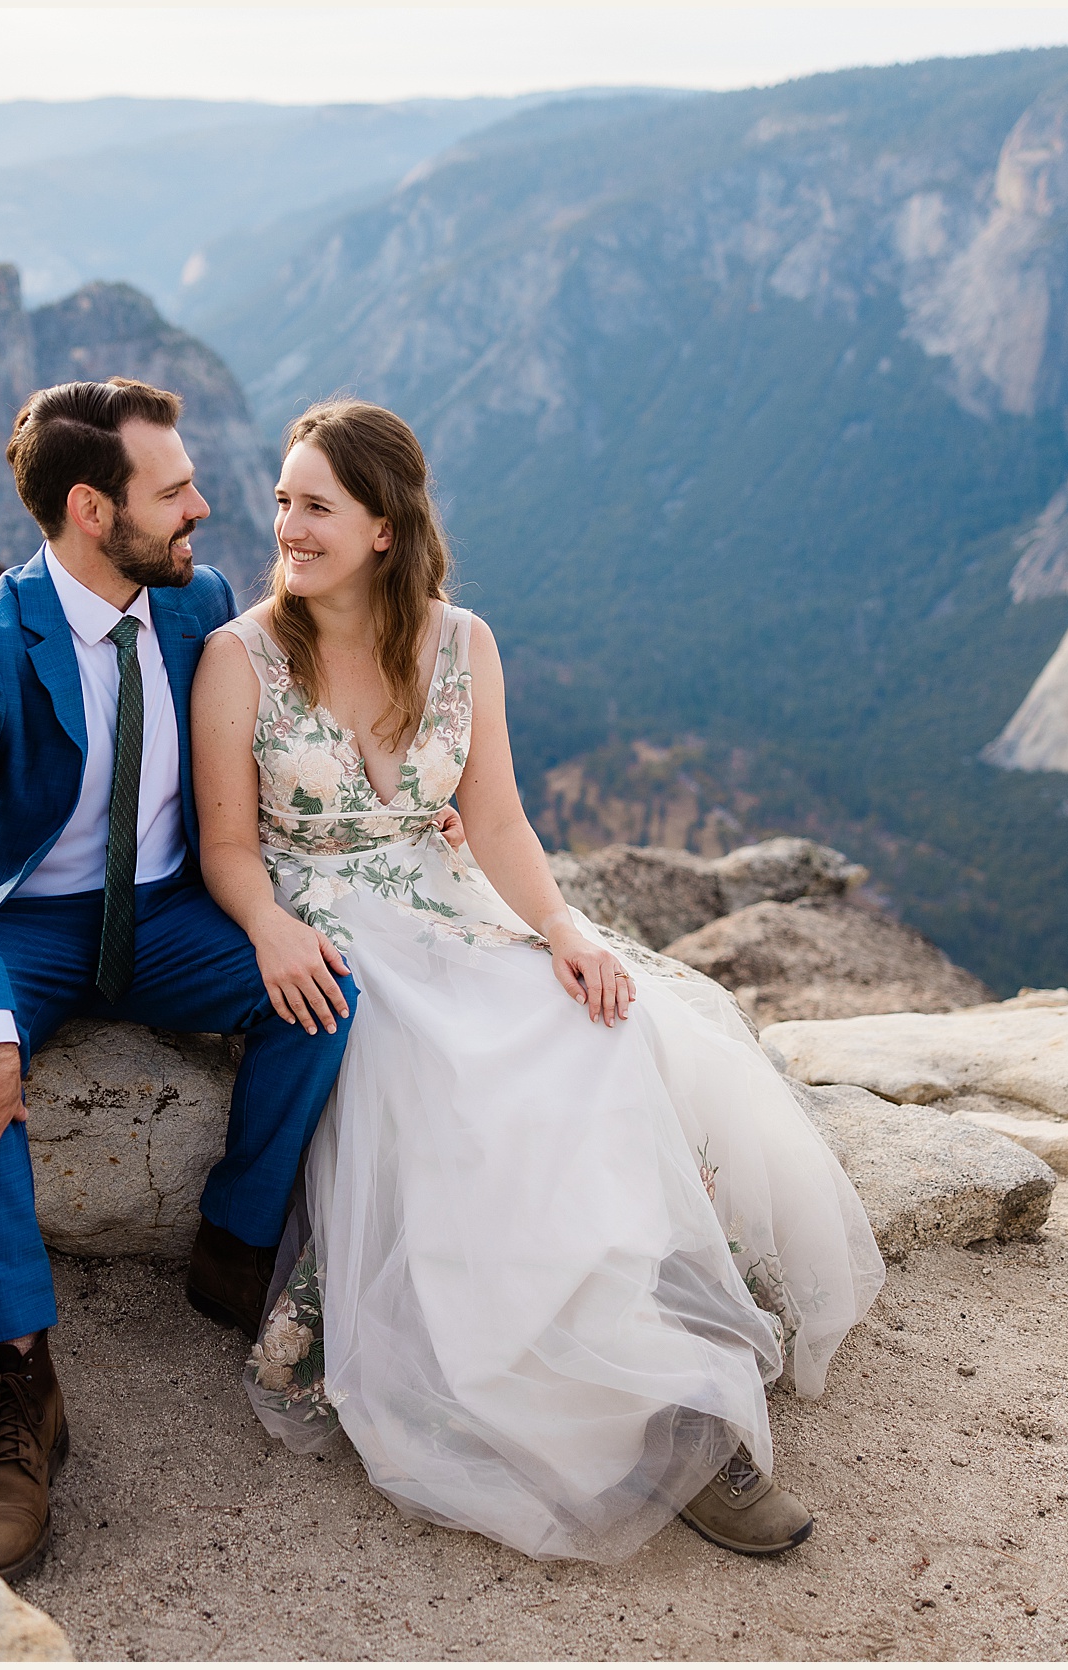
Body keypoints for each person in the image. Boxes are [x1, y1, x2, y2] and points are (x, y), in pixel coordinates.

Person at [187, 399, 887, 1563]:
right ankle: (649, 1420)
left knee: (599, 1028)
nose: (285, 526)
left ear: (382, 528)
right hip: (331, 928)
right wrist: (266, 925)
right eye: (280, 501)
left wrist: (562, 927)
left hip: (448, 899)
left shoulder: (461, 642)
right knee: (450, 1086)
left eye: (314, 504)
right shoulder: (239, 655)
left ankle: (663, 1346)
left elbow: (499, 816)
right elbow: (225, 847)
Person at [0, 377, 356, 1581]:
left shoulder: (198, 599)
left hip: (166, 912)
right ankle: (17, 1390)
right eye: (175, 490)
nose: (207, 504)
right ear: (93, 509)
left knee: (322, 995)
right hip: (36, 923)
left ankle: (235, 1245)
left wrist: (411, 814)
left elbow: (321, 695)